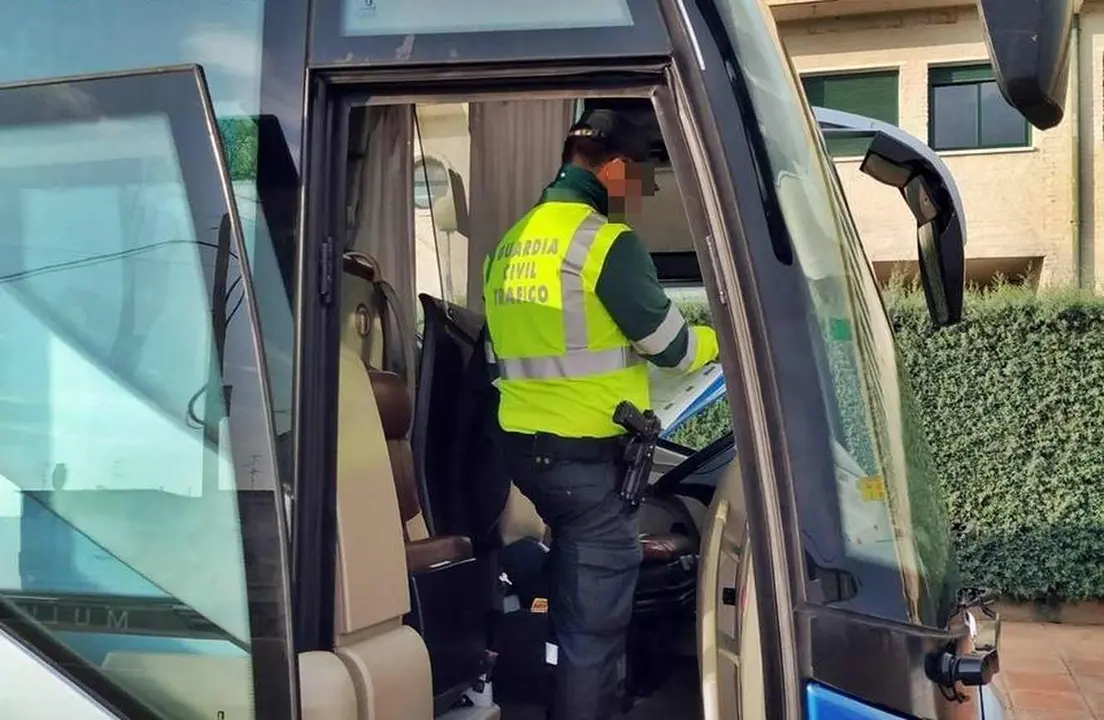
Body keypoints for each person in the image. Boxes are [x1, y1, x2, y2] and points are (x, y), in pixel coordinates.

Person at [481, 108, 719, 720]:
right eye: (644, 179)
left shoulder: (512, 243)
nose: (645, 194)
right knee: (594, 636)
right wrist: (734, 339)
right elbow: (674, 349)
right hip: (585, 467)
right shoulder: (603, 243)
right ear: (614, 169)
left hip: (528, 457)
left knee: (574, 607)